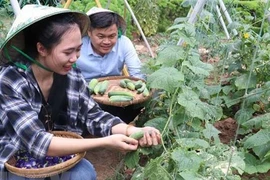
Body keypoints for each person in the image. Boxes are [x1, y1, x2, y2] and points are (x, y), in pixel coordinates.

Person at [0, 4, 161, 180]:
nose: (75, 58)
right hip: (15, 158)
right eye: (68, 52)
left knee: (84, 174)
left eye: (78, 49)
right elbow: (37, 141)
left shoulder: (71, 74)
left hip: (59, 155)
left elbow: (93, 115)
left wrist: (130, 131)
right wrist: (106, 141)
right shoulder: (11, 80)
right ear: (42, 49)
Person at [76, 7, 146, 124]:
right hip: (85, 97)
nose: (107, 42)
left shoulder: (123, 43)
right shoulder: (78, 45)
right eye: (101, 36)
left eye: (112, 36)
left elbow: (138, 73)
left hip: (117, 95)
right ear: (89, 32)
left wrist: (139, 90)